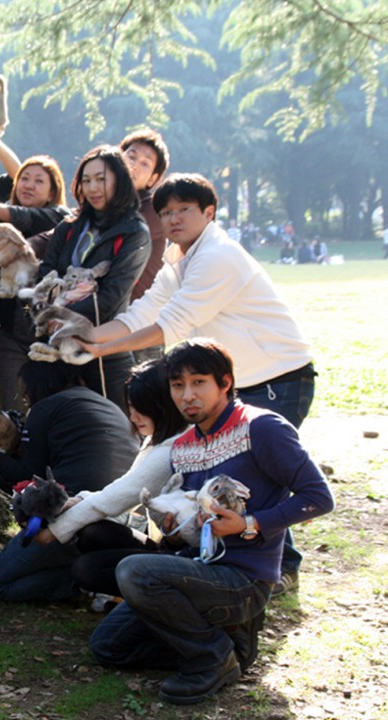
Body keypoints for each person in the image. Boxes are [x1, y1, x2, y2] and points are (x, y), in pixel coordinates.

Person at [73, 174, 317, 593]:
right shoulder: (180, 257)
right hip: (238, 381)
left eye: (184, 210)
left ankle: (277, 570)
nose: (173, 219)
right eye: (165, 212)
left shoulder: (216, 256)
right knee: (236, 472)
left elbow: (171, 324)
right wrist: (88, 336)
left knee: (262, 475)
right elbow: (146, 309)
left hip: (279, 378)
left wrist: (98, 352)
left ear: (209, 212)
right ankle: (255, 562)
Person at [89, 340, 334, 704]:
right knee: (107, 646)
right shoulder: (184, 446)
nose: (187, 395)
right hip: (199, 568)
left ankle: (211, 658)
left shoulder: (261, 427)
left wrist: (248, 523)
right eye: (177, 385)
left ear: (225, 382)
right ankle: (231, 646)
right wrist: (173, 531)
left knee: (133, 572)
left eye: (198, 382)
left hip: (244, 579)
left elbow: (319, 498)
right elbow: (191, 532)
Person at [0, 84, 73, 411]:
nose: (29, 185)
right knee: (13, 406)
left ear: (53, 191)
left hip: (47, 329)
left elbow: (20, 212)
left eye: (39, 181)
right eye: (25, 180)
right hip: (5, 331)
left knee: (50, 404)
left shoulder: (56, 217)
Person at [0, 361, 139, 603]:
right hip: (126, 519)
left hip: (72, 514)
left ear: (38, 385)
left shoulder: (45, 408)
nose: (24, 398)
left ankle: (85, 584)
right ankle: (92, 576)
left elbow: (27, 476)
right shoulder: (101, 403)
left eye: (26, 391)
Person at [44, 360, 188, 601]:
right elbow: (123, 487)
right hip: (167, 544)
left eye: (142, 408)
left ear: (163, 406)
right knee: (92, 532)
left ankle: (158, 601)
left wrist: (53, 532)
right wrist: (78, 500)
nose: (133, 416)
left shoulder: (170, 450)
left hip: (185, 557)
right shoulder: (156, 438)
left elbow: (117, 498)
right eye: (131, 407)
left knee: (86, 569)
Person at [28, 145, 151, 412]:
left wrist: (60, 319)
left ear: (119, 180)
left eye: (101, 179)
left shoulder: (135, 233)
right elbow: (45, 274)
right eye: (86, 180)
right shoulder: (69, 226)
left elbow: (111, 298)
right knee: (51, 425)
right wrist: (47, 316)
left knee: (113, 430)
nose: (93, 187)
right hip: (53, 344)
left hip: (103, 348)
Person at [119, 129, 170, 365]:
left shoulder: (152, 210)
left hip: (140, 326)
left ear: (152, 179)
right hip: (106, 321)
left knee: (140, 398)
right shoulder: (100, 203)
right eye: (131, 156)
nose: (134, 165)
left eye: (145, 163)